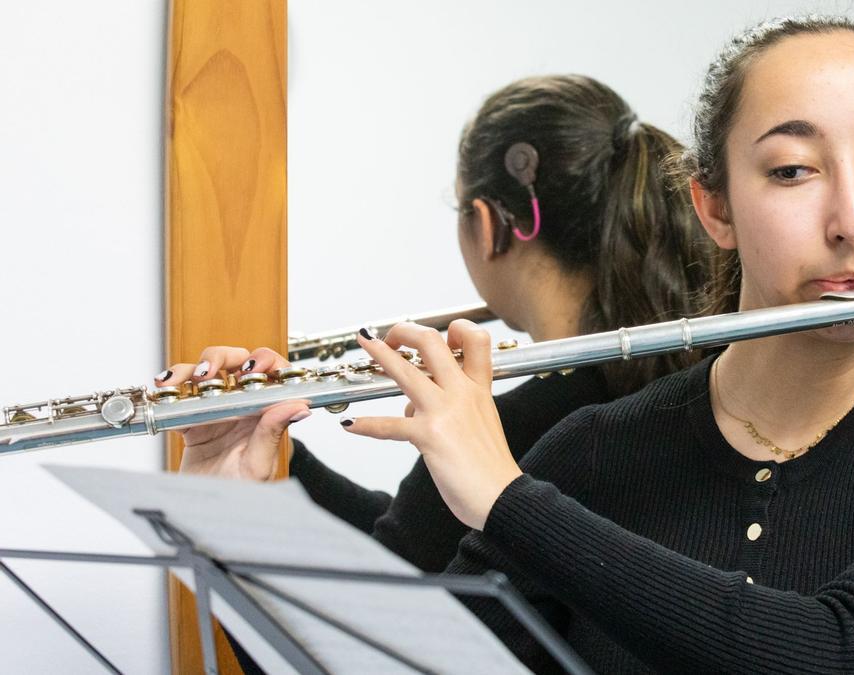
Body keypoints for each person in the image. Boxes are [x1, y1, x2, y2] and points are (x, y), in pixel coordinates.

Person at [336, 17, 854, 673]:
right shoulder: (591, 452)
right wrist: (239, 491)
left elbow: (841, 654)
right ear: (714, 206)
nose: (853, 220)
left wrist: (508, 500)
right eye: (793, 170)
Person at [159, 74, 715, 573]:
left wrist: (232, 524)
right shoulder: (689, 383)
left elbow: (392, 598)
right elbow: (425, 541)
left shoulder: (530, 423)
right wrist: (277, 451)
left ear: (489, 224)